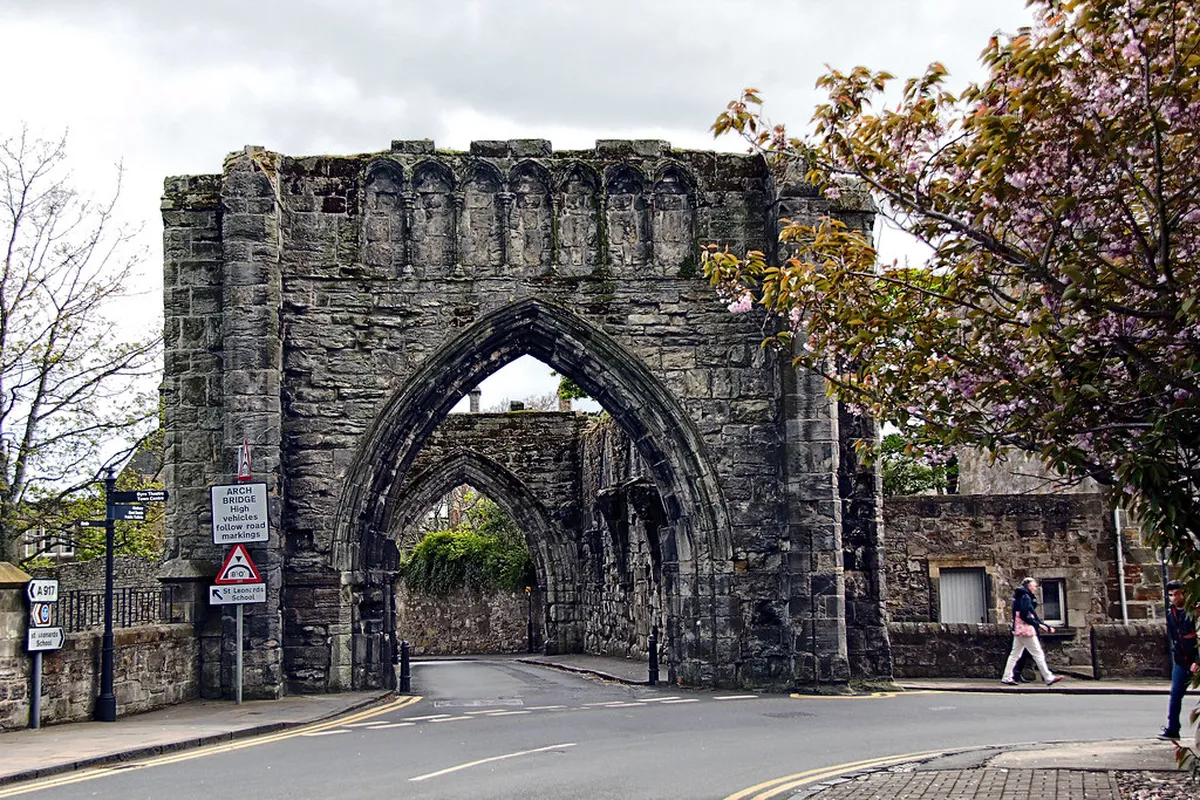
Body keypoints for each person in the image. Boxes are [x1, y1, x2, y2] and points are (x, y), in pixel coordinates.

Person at [1000, 577, 1063, 687]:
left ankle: (1006, 677)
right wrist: (1039, 625)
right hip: (1026, 630)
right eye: (1034, 586)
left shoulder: (1019, 597)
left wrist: (1043, 625)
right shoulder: (1026, 597)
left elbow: (1020, 614)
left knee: (1014, 654)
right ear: (1029, 587)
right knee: (1037, 653)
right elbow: (1025, 615)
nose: (1035, 588)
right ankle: (1048, 677)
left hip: (1018, 629)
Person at [1159, 579, 1199, 740]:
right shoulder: (1171, 615)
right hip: (1182, 661)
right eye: (1171, 595)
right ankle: (1173, 729)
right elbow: (1175, 639)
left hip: (1196, 659)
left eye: (1177, 594)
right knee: (1175, 694)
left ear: (1184, 593)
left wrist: (1198, 660)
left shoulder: (1195, 612)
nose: (1174, 598)